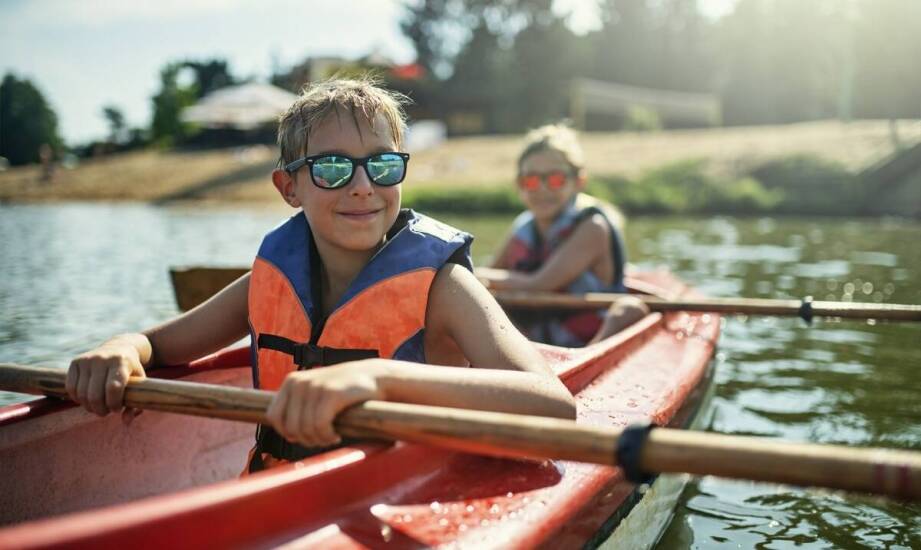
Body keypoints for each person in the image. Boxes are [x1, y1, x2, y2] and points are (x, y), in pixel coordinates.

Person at [65, 77, 575, 473]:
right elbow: (161, 345)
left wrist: (376, 376)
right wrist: (124, 347)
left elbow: (553, 407)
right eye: (332, 168)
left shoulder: (443, 287)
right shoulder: (270, 278)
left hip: (403, 498)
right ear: (289, 187)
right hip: (282, 496)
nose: (361, 187)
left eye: (382, 166)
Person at [477, 124, 648, 347]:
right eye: (531, 180)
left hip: (588, 335)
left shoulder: (592, 227)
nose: (542, 189)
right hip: (536, 334)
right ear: (519, 185)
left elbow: (539, 284)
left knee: (629, 310)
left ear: (578, 181)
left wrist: (478, 276)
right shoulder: (524, 226)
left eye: (555, 179)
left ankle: (588, 360)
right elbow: (494, 272)